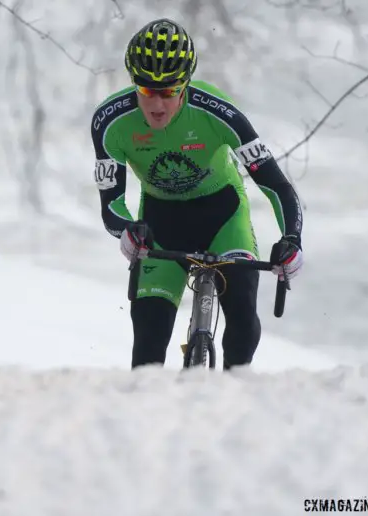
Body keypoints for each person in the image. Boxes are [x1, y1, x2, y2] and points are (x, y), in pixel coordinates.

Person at [89, 18, 304, 370]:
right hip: (160, 224)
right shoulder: (110, 122)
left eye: (169, 91)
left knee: (242, 317)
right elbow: (111, 203)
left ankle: (234, 400)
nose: (157, 104)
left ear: (185, 85)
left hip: (223, 216)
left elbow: (275, 184)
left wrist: (292, 239)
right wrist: (128, 229)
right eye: (146, 91)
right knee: (148, 344)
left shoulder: (218, 113)